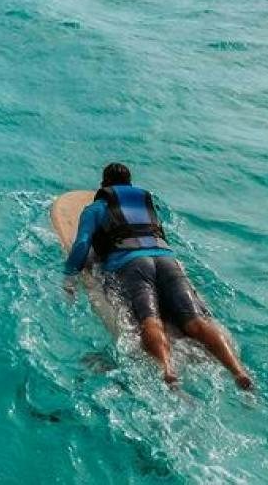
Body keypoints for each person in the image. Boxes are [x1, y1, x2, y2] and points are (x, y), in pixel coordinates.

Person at [63, 163, 254, 390]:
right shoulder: (147, 207)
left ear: (104, 184)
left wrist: (69, 276)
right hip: (168, 261)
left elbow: (83, 243)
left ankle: (167, 369)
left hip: (131, 265)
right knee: (196, 321)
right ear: (130, 184)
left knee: (149, 319)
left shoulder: (96, 209)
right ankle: (238, 371)